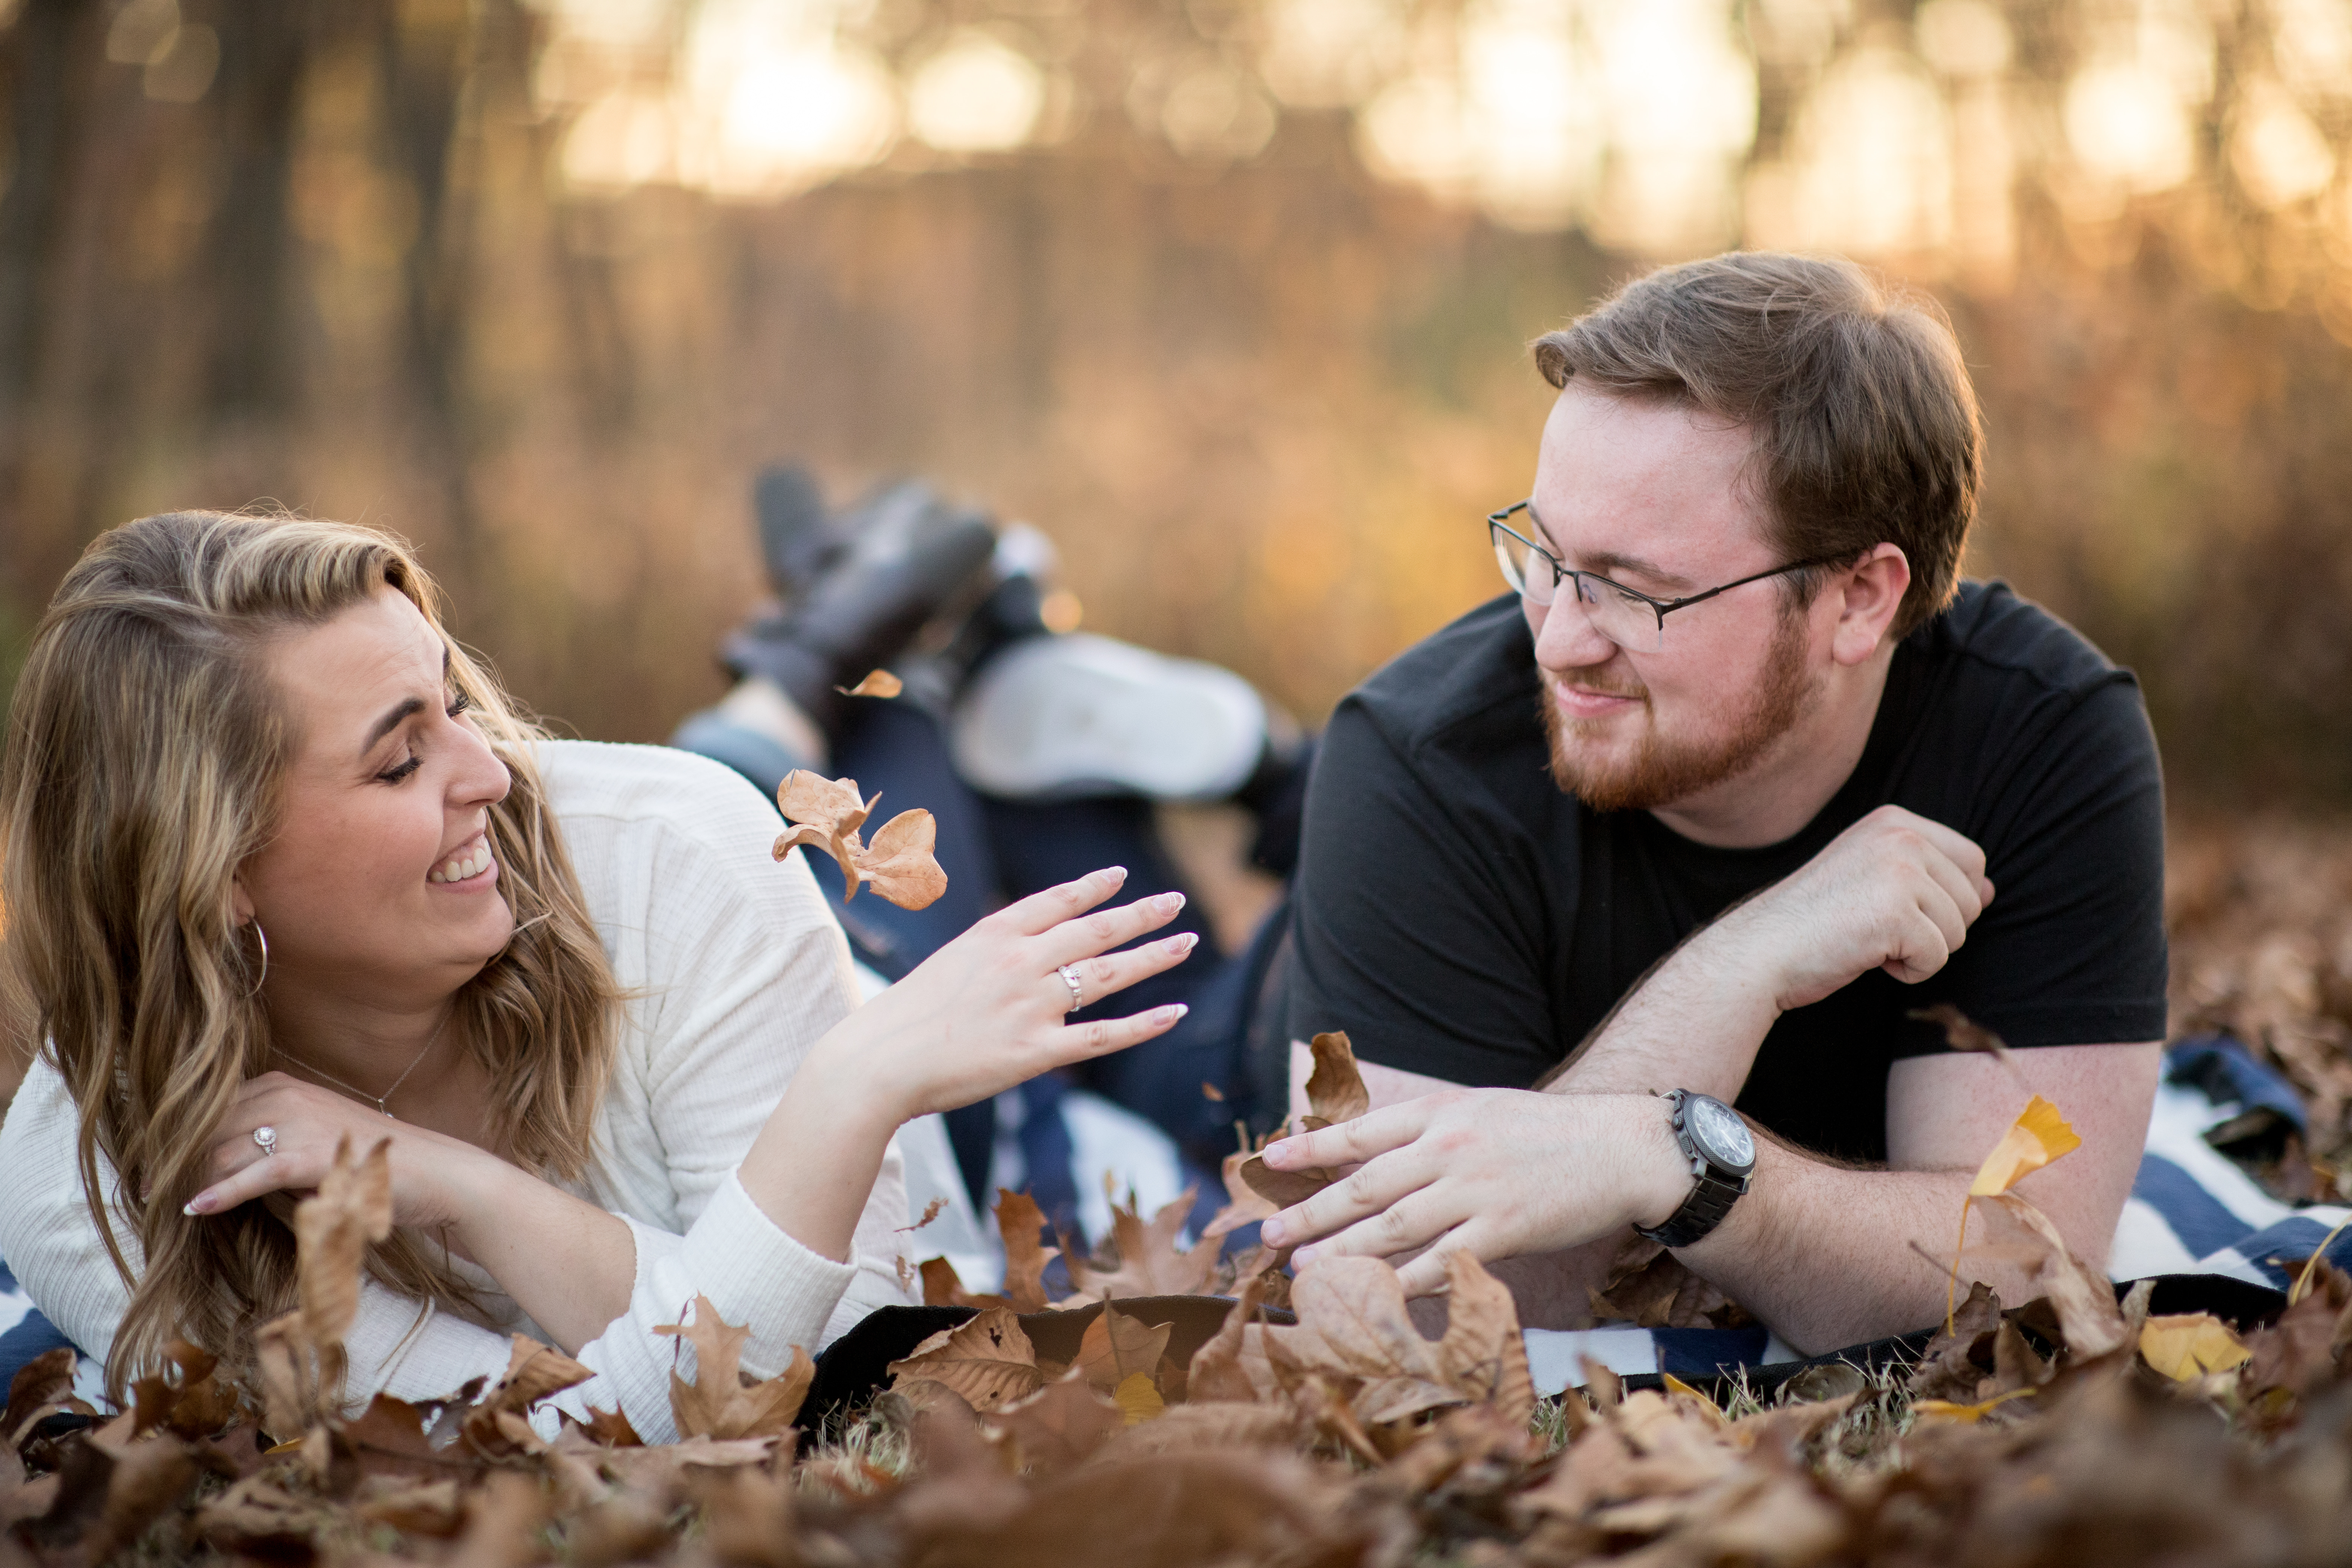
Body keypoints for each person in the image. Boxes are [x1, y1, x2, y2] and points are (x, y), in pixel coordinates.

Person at [0, 511, 1194, 1434]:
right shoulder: (82, 1185)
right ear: (215, 875)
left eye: (456, 702)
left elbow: (852, 1354)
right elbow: (533, 1442)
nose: (490, 770)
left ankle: (856, 657)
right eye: (398, 762)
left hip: (901, 1057)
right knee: (728, 791)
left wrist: (851, 1085)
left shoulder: (669, 845)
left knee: (846, 831)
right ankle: (843, 643)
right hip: (699, 912)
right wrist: (474, 1186)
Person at [1254, 253, 2169, 1355]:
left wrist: (1668, 1162)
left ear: (1859, 600)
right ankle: (1226, 763)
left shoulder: (2042, 735)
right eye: (1544, 552)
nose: (1557, 640)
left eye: (1639, 591)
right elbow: (1399, 1310)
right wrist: (1738, 971)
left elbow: (2026, 1279)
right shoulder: (1416, 755)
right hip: (1249, 1010)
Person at [669, 468, 1307, 1243]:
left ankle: (845, 653)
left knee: (790, 908)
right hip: (1150, 1091)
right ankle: (890, 654)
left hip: (1027, 1124)